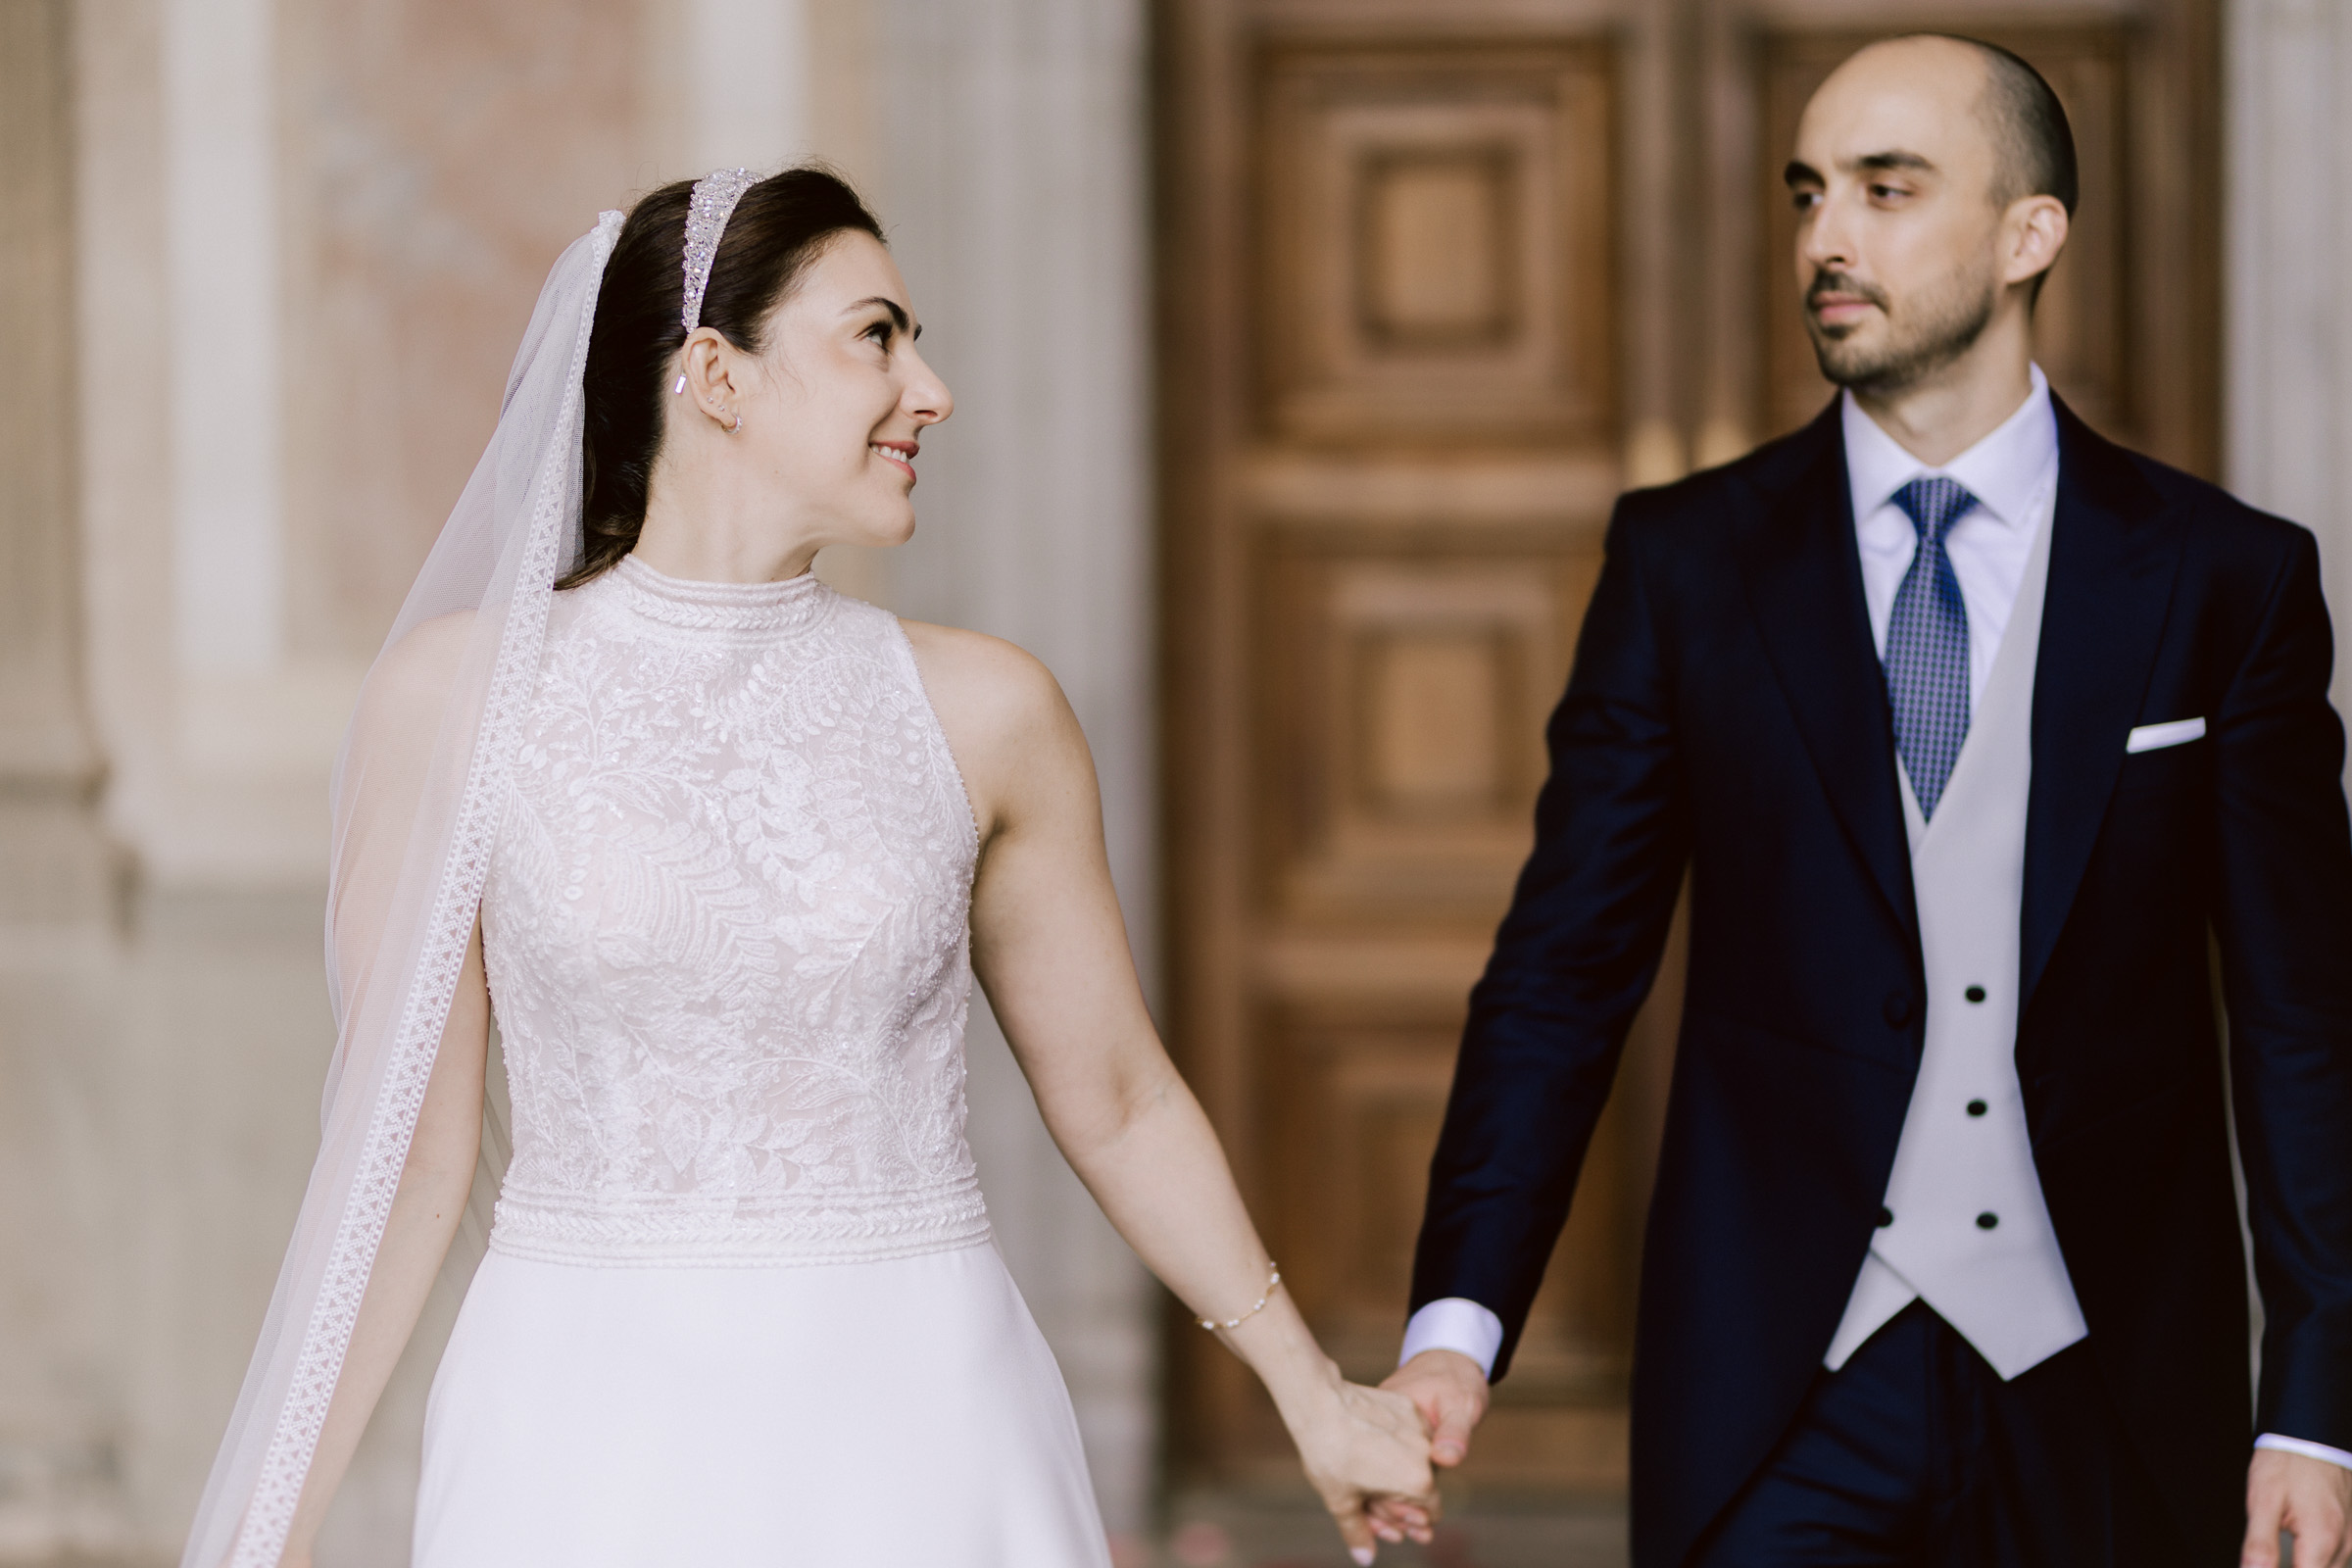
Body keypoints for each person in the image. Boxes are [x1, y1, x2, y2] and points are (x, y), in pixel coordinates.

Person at [182, 168, 1433, 1568]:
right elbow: (408, 1156)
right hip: (584, 1428)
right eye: (876, 338)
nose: (931, 391)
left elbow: (1122, 1098)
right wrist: (274, 1527)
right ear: (718, 375)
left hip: (924, 1418)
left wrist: (1315, 1396)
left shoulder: (989, 712)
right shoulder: (457, 700)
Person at [1375, 33, 2352, 1568]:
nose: (1827, 236)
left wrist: (2315, 1407)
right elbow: (1565, 970)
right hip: (1781, 1397)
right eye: (1809, 193)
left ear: (2031, 233)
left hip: (2104, 1384)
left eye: (1887, 191)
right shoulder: (1689, 564)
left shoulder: (2227, 578)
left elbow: (2303, 1020)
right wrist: (1457, 1324)